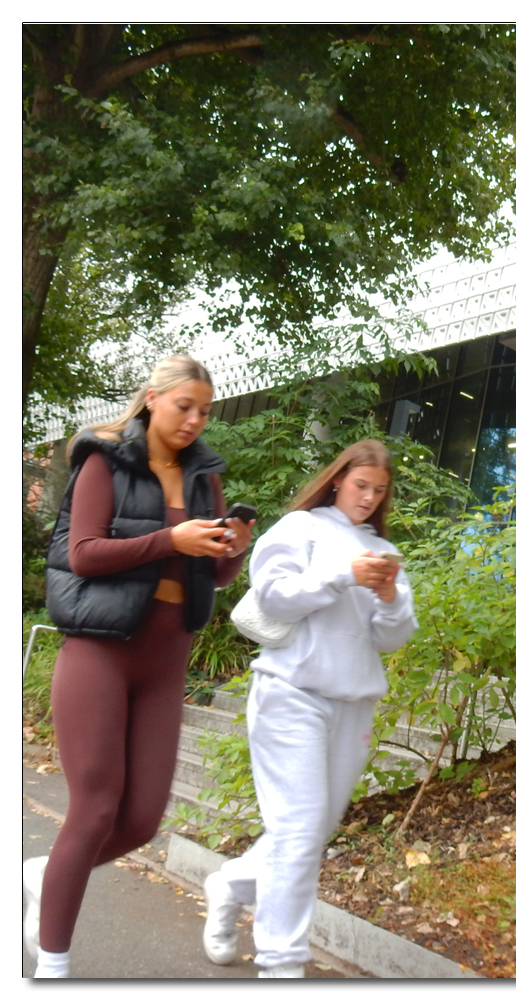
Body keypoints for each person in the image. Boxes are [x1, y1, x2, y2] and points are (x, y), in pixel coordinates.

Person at [23, 355, 254, 979]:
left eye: (206, 410)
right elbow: (85, 553)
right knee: (96, 808)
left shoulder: (205, 476)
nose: (196, 420)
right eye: (186, 406)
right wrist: (169, 541)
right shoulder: (105, 459)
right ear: (153, 398)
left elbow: (212, 572)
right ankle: (52, 967)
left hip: (166, 657)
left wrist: (231, 549)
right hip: (101, 648)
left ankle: (45, 877)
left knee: (143, 817)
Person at [201, 439, 417, 978]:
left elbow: (393, 638)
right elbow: (273, 597)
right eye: (360, 485)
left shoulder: (382, 549)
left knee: (308, 834)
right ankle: (281, 966)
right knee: (297, 833)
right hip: (290, 692)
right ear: (339, 478)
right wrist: (344, 575)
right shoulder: (300, 527)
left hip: (354, 702)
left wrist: (389, 597)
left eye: (379, 490)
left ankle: (228, 886)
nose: (368, 498)